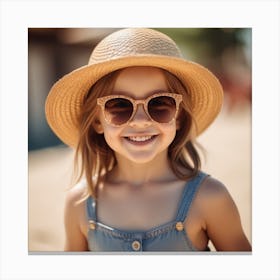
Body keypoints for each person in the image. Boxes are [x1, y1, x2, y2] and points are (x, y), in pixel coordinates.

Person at [45, 28, 251, 252]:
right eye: (119, 105)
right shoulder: (79, 204)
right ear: (96, 122)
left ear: (179, 117)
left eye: (160, 103)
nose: (140, 121)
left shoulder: (211, 198)